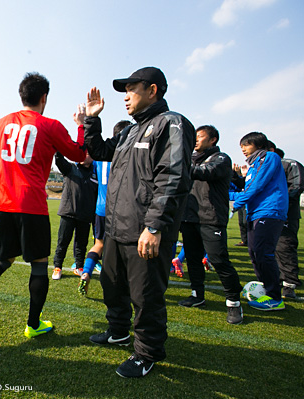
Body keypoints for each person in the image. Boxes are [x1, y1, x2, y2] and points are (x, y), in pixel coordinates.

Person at [0, 72, 87, 343]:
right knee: (39, 265)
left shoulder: (2, 123)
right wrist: (82, 125)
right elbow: (79, 154)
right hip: (32, 205)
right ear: (44, 97)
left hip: (4, 204)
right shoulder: (50, 125)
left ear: (21, 95)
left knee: (3, 260)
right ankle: (33, 324)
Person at [83, 67, 195, 378]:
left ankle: (147, 353)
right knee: (112, 286)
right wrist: (92, 119)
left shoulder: (171, 124)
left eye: (131, 89)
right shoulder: (131, 131)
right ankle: (118, 331)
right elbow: (100, 151)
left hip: (145, 230)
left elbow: (172, 178)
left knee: (145, 296)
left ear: (153, 90)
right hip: (116, 229)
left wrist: (155, 226)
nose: (126, 97)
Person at [176, 125, 243, 324]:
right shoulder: (189, 158)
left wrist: (176, 164)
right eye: (194, 137)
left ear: (212, 139)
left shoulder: (221, 158)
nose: (195, 140)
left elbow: (206, 172)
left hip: (211, 218)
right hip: (189, 218)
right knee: (194, 260)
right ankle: (197, 295)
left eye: (200, 136)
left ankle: (234, 303)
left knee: (219, 260)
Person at [229, 132, 288, 311]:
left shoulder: (269, 157)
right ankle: (267, 289)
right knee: (254, 253)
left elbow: (257, 186)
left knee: (263, 253)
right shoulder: (254, 165)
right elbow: (248, 188)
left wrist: (234, 204)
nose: (243, 150)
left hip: (269, 211)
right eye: (241, 147)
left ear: (258, 144)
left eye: (246, 145)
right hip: (255, 213)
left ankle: (275, 297)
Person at [78, 119, 131, 296]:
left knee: (98, 244)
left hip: (100, 209)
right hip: (121, 209)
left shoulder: (100, 156)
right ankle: (123, 283)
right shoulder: (128, 155)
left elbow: (83, 160)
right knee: (124, 247)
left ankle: (86, 272)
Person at [51, 104, 98, 281]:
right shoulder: (70, 169)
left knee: (81, 244)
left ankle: (79, 266)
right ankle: (57, 267)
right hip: (68, 213)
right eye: (86, 153)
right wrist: (60, 145)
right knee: (62, 242)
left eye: (90, 153)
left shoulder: (95, 172)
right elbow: (59, 158)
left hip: (85, 216)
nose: (88, 155)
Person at [270, 147, 304, 299]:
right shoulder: (264, 167)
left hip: (286, 214)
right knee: (269, 249)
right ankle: (275, 279)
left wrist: (279, 202)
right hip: (267, 214)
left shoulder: (289, 164)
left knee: (285, 247)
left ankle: (289, 284)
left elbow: (297, 186)